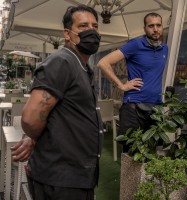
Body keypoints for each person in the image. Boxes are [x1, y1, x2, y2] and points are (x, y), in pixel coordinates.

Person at [20, 5, 103, 200]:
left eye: (95, 26)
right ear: (68, 33)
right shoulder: (62, 62)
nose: (91, 31)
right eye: (83, 26)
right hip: (60, 179)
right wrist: (33, 136)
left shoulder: (81, 66)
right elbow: (31, 119)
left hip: (76, 177)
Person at [97, 12, 168, 151]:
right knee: (131, 155)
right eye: (151, 26)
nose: (155, 29)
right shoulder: (135, 44)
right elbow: (103, 63)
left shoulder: (164, 48)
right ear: (144, 28)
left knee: (151, 153)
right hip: (133, 107)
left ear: (162, 27)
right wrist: (121, 85)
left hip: (155, 107)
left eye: (158, 25)